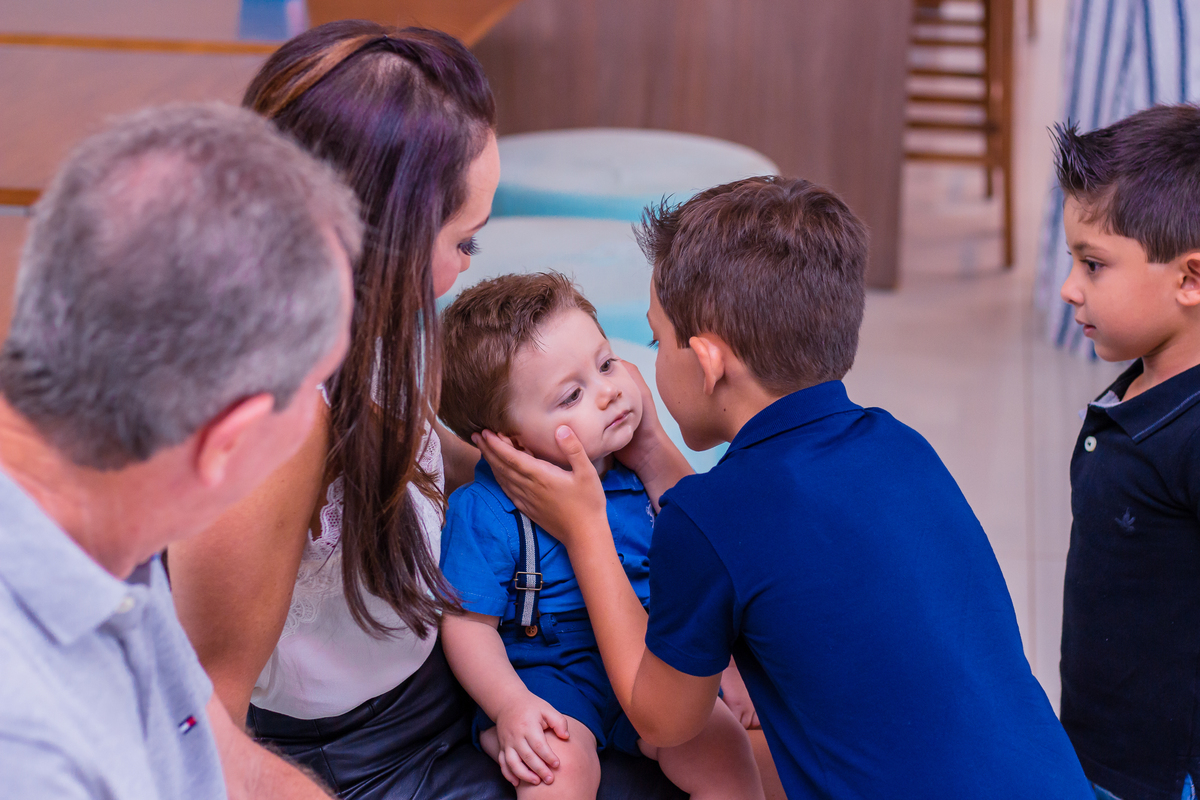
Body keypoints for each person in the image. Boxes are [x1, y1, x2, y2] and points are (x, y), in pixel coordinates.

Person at [167, 21, 684, 799]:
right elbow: (203, 724)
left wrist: (617, 458)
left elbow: (424, 453)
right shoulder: (270, 429)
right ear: (388, 236)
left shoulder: (370, 315)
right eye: (464, 242)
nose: (460, 271)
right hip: (354, 760)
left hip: (440, 677)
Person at [476, 175, 1096, 799]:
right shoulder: (902, 446)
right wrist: (656, 452)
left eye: (658, 341)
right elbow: (754, 543)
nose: (642, 368)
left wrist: (584, 527)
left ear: (709, 361)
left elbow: (660, 715)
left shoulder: (708, 520)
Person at [0, 102, 361, 798]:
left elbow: (229, 764)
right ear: (228, 442)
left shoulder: (109, 525)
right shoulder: (29, 752)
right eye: (322, 387)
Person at [437, 272, 764, 799]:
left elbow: (701, 569)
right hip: (551, 675)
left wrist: (721, 666)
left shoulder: (634, 468)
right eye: (572, 395)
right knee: (555, 769)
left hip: (649, 658)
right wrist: (510, 705)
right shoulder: (487, 509)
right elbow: (466, 626)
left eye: (607, 363)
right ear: (510, 441)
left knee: (724, 748)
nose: (610, 392)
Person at [1054, 106, 1200, 800]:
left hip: (1160, 774)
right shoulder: (1145, 380)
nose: (1069, 288)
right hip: (1099, 744)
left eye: (1093, 264)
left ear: (1190, 280)